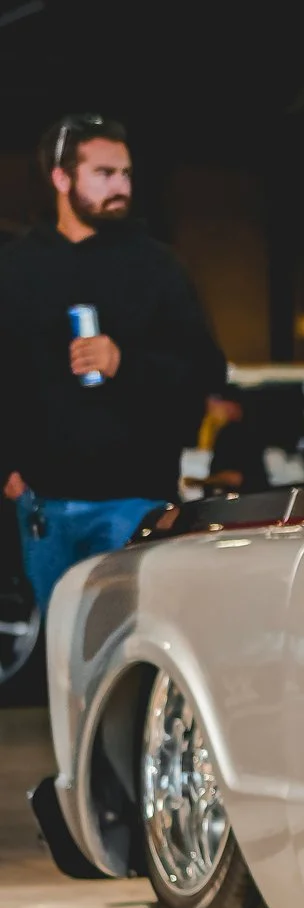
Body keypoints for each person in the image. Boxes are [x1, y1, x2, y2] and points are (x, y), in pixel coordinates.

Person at [0, 114, 225, 612]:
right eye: (104, 173)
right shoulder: (15, 269)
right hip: (44, 504)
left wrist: (125, 362)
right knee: (56, 653)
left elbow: (208, 372)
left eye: (125, 173)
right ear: (62, 179)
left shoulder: (157, 266)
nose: (121, 185)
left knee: (125, 642)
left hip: (134, 499)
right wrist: (7, 469)